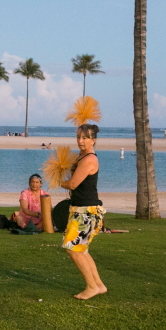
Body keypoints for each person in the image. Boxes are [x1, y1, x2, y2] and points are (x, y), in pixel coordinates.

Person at [60, 123, 107, 300]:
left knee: (72, 248)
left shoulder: (89, 160)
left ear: (93, 140)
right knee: (81, 250)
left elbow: (72, 184)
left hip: (86, 211)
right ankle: (99, 285)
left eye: (85, 138)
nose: (80, 141)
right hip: (82, 209)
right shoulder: (83, 156)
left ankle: (91, 286)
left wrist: (58, 181)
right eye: (79, 137)